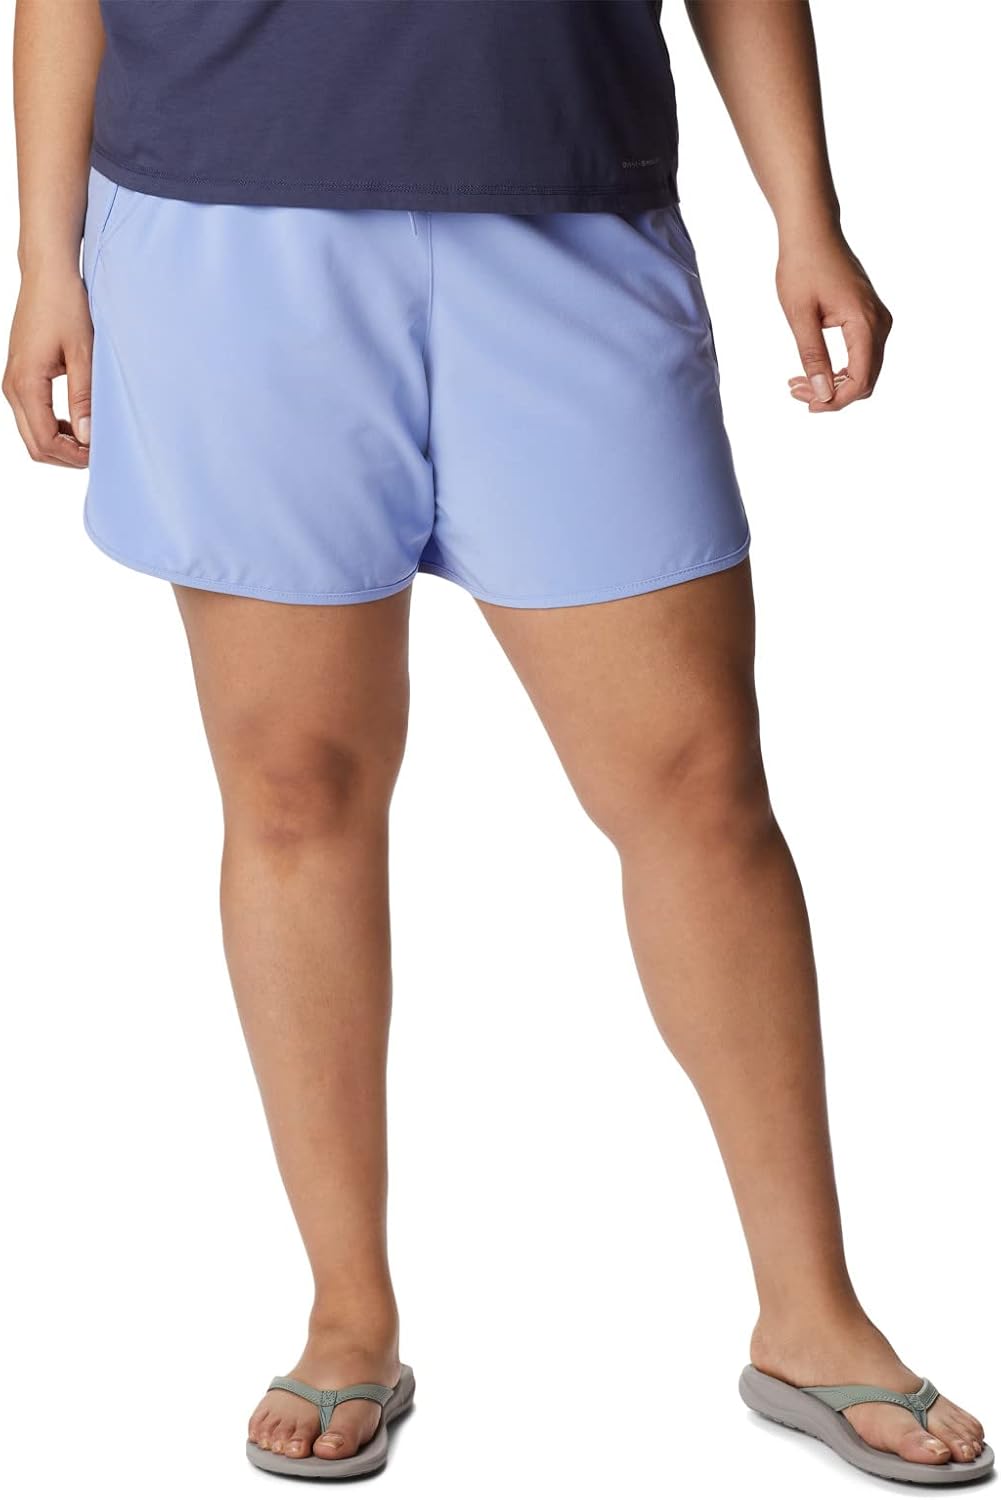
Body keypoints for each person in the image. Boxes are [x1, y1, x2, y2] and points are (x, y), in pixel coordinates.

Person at [4, 0, 990, 1485]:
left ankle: (810, 1310)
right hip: (222, 226)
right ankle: (348, 1314)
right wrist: (44, 256)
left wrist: (806, 211)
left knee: (697, 785)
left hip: (565, 210)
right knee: (294, 788)